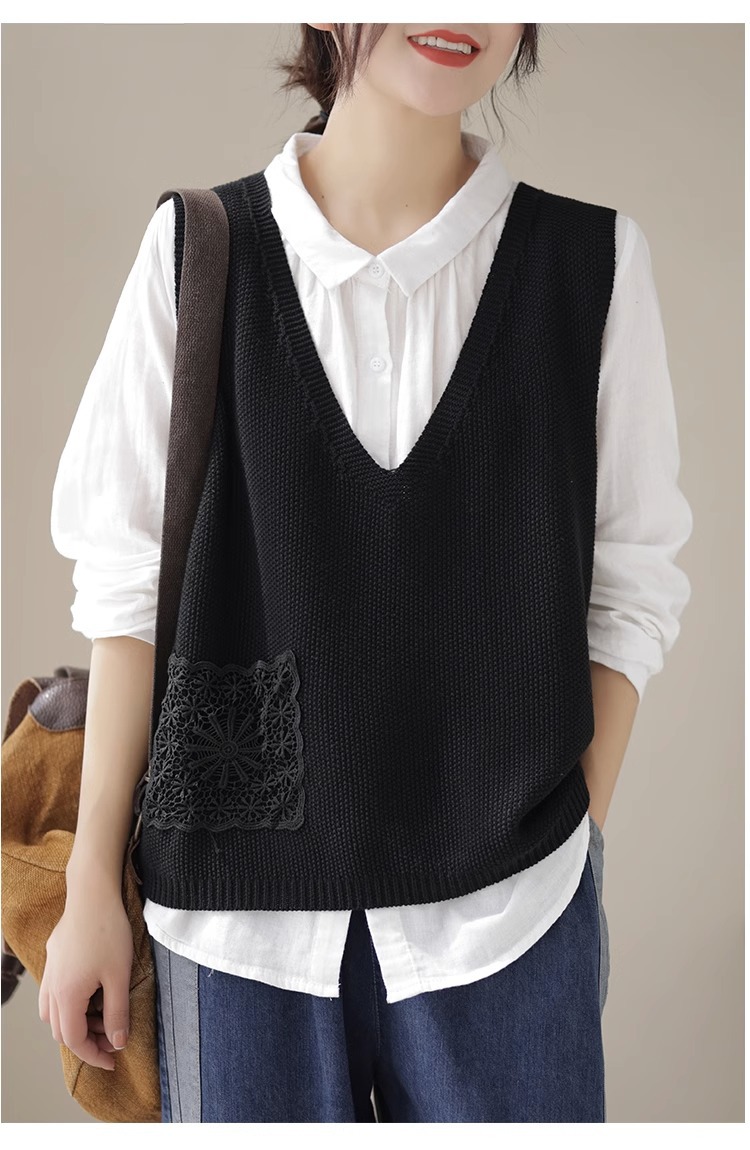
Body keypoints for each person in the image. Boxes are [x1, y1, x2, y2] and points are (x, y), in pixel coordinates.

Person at [41, 24, 693, 1122]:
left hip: (511, 917)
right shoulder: (199, 250)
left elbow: (631, 588)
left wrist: (564, 834)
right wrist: (91, 884)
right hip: (235, 924)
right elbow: (128, 594)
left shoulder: (592, 266)